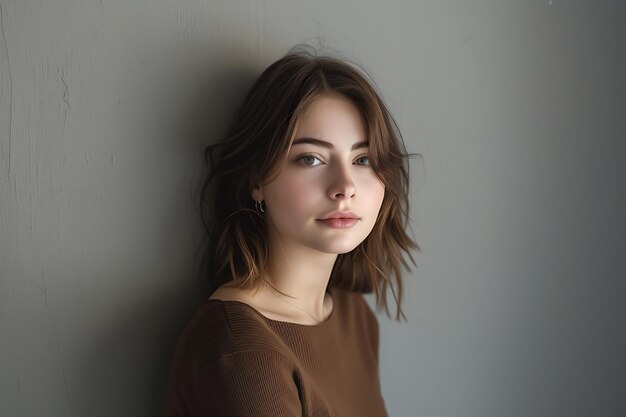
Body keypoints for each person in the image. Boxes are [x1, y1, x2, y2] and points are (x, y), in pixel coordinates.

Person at [164, 45, 420, 417]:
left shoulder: (354, 316)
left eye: (362, 159)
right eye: (311, 159)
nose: (344, 186)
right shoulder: (240, 351)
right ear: (256, 180)